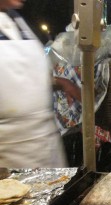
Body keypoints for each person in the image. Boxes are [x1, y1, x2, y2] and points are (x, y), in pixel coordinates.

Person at [0, 0, 67, 168]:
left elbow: (23, 79)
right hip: (9, 155)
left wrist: (59, 83)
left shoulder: (17, 21)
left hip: (47, 145)